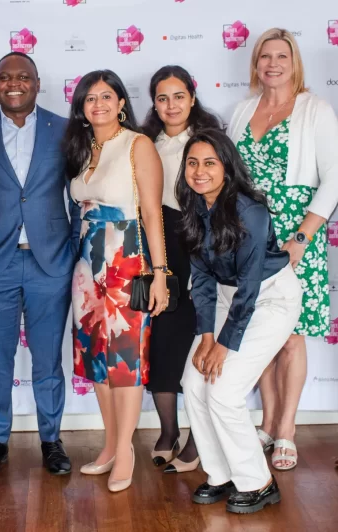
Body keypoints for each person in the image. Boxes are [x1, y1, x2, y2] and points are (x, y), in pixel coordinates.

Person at [0, 52, 80, 477]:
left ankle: (51, 440)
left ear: (37, 81)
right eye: (4, 77)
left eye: (23, 76)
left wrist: (77, 250)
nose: (14, 83)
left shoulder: (66, 131)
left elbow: (81, 193)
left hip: (51, 263)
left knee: (49, 360)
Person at [228, 28, 338, 471]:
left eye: (281, 57)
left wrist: (301, 239)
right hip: (248, 236)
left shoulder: (316, 109)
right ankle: (269, 423)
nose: (272, 64)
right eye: (264, 57)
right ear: (255, 65)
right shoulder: (240, 111)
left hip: (298, 234)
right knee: (261, 334)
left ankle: (287, 429)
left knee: (291, 335)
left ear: (294, 64)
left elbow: (333, 179)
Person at [178, 129, 302, 514]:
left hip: (269, 298)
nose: (199, 172)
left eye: (209, 163)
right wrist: (205, 336)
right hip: (228, 297)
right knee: (193, 382)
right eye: (192, 163)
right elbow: (200, 277)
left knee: (225, 390)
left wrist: (224, 344)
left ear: (227, 168)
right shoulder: (195, 205)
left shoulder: (249, 210)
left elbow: (248, 287)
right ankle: (222, 473)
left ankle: (259, 482)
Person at [65, 70, 168, 492]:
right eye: (90, 98)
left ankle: (125, 450)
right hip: (87, 263)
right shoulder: (81, 148)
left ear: (121, 102)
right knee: (96, 361)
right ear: (82, 108)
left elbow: (151, 214)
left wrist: (160, 274)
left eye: (107, 96)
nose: (99, 104)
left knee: (125, 360)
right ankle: (109, 446)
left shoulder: (137, 145)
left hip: (127, 258)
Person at [141, 65, 223, 474]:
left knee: (201, 339)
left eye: (178, 96)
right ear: (153, 103)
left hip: (202, 240)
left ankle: (198, 439)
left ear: (192, 97)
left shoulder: (210, 141)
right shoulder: (144, 142)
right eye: (162, 97)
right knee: (163, 341)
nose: (171, 105)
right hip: (160, 244)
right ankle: (169, 430)